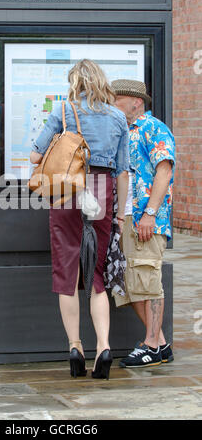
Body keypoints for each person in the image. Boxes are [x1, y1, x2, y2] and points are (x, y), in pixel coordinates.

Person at [30, 60, 130, 379]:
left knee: (68, 269)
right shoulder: (118, 117)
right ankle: (103, 346)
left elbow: (34, 155)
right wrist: (120, 214)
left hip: (67, 189)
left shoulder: (64, 110)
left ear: (75, 82)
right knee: (97, 272)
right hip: (102, 188)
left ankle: (75, 347)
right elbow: (123, 171)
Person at [111, 79, 175, 368]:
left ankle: (151, 344)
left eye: (116, 100)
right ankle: (159, 344)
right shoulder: (121, 130)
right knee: (129, 283)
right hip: (125, 218)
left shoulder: (155, 129)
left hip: (146, 219)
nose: (112, 104)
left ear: (135, 102)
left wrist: (150, 212)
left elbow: (164, 172)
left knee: (148, 280)